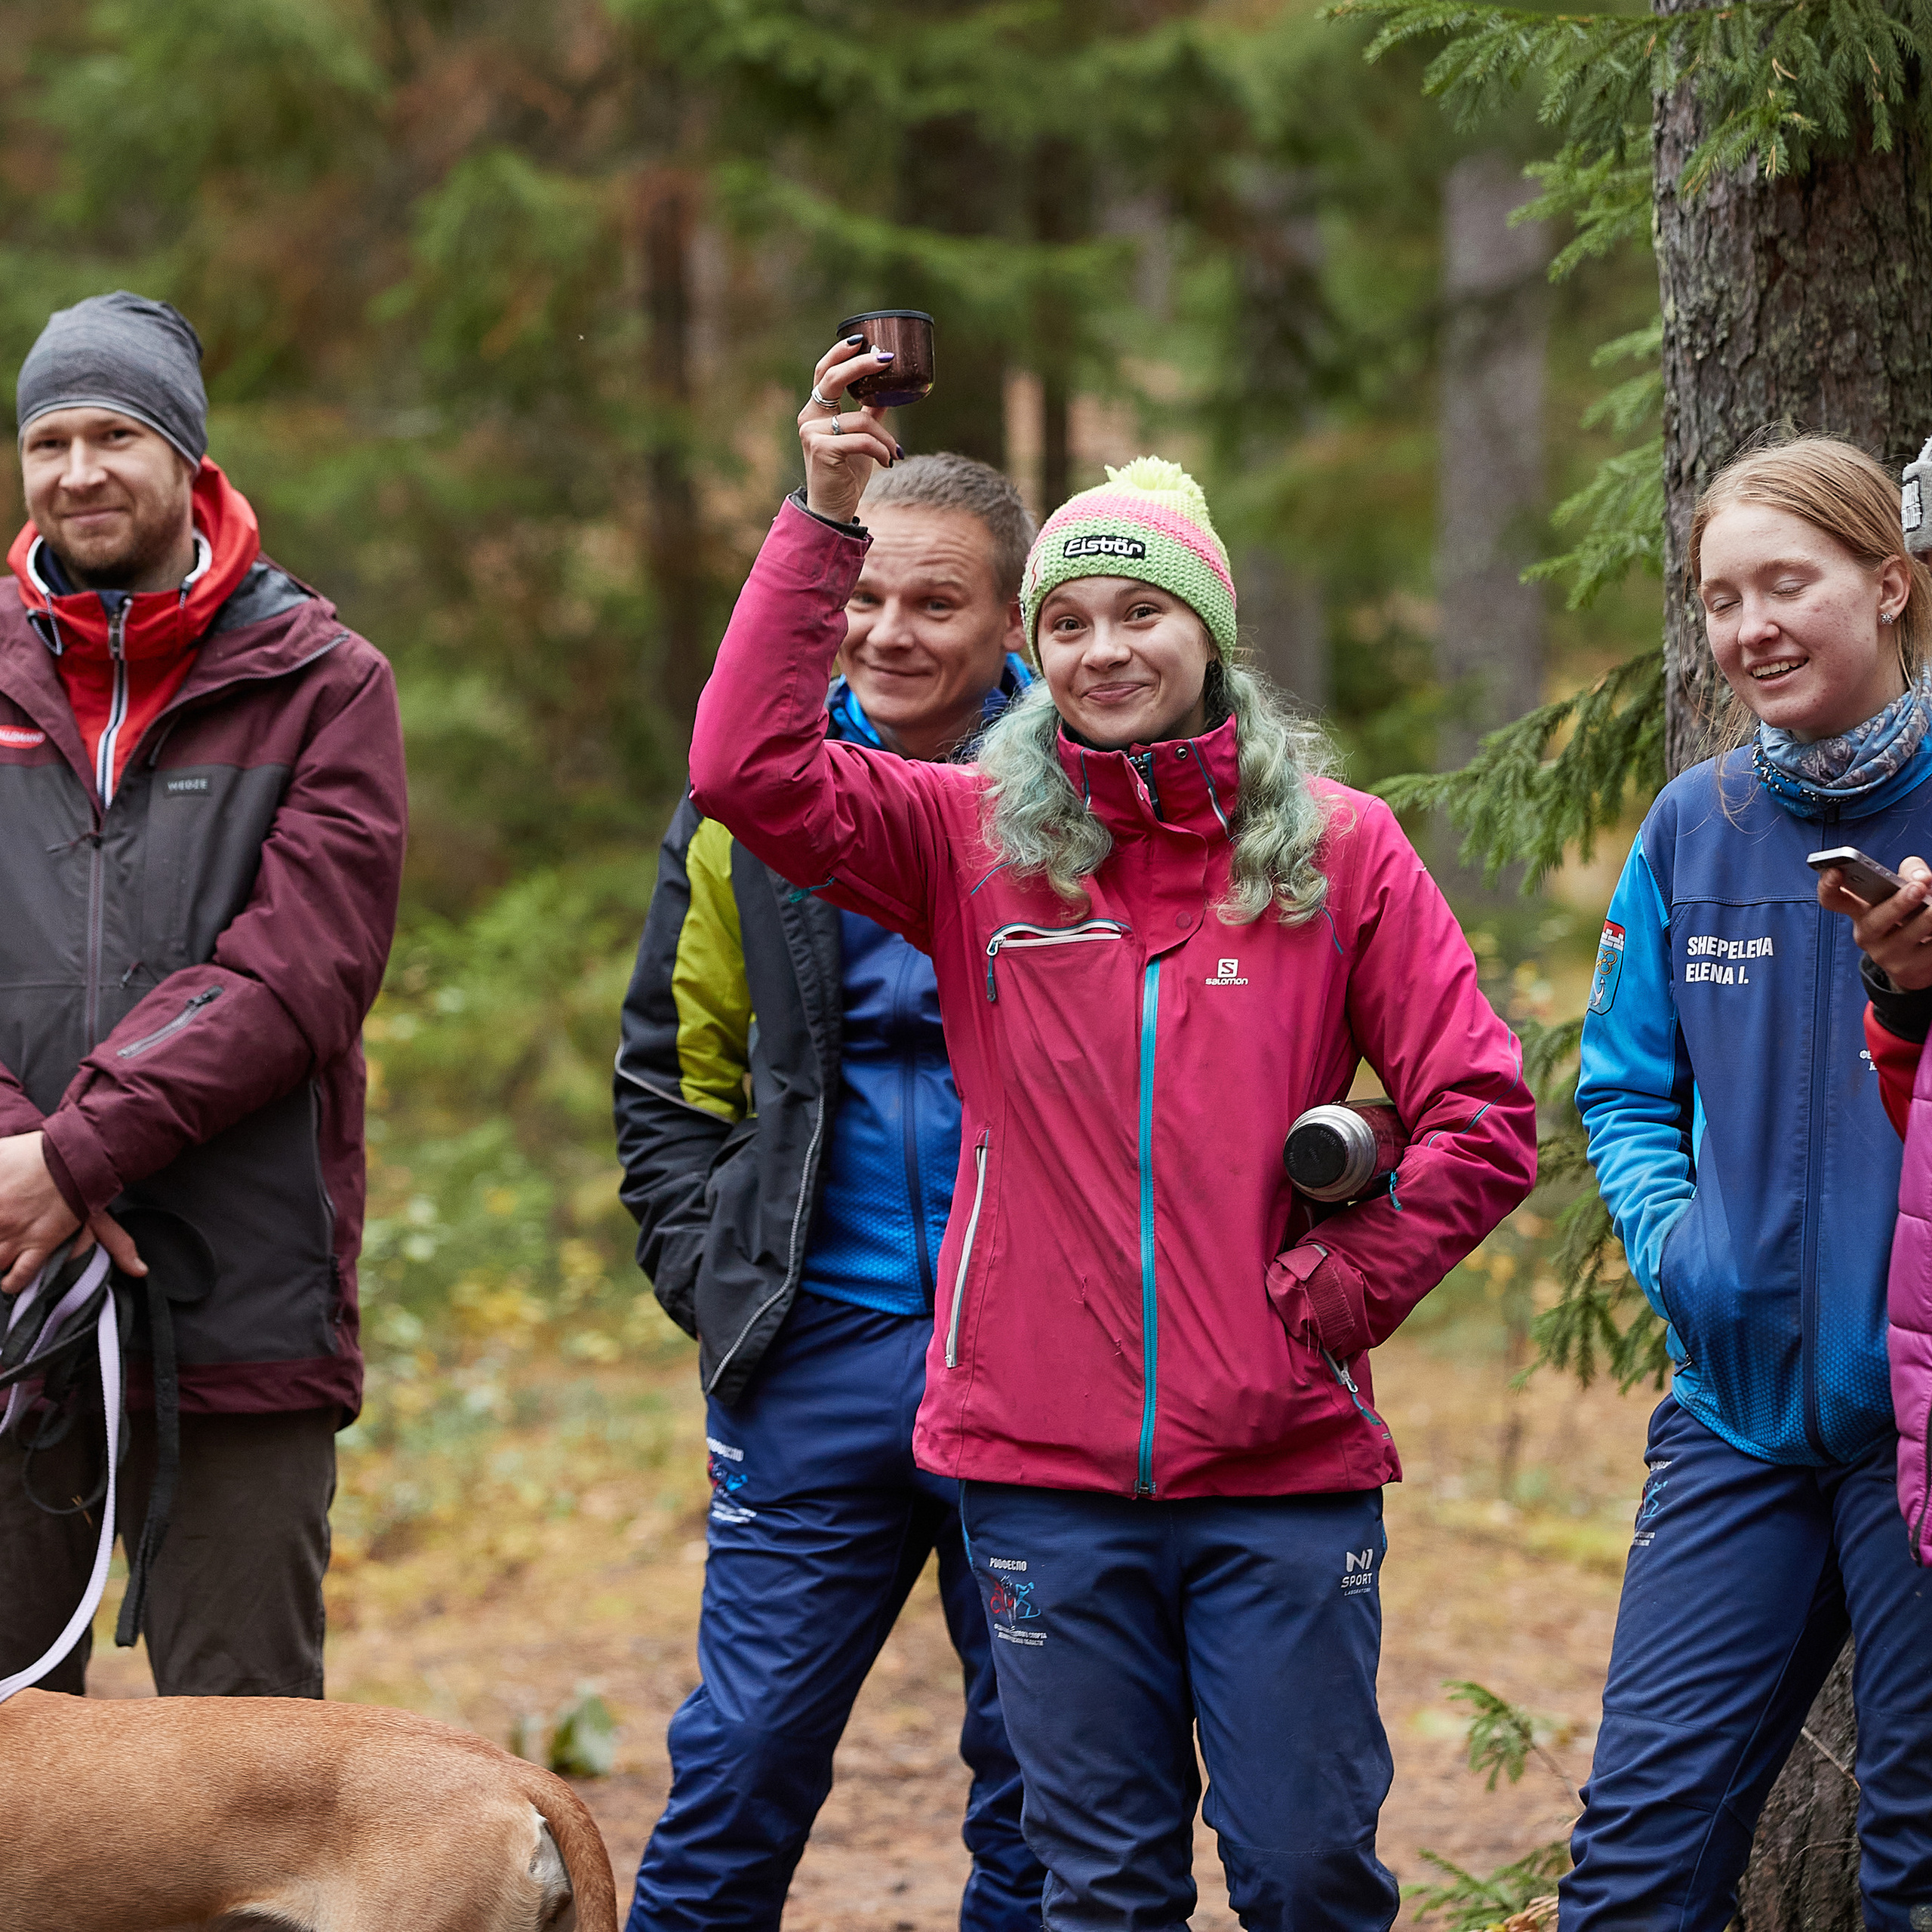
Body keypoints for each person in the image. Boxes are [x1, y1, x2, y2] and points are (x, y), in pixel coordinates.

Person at [680, 335, 1537, 1931]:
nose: (1101, 649)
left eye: (1139, 612)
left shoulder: (1339, 851)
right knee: (1098, 1888)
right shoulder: (969, 840)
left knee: (1303, 1872)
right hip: (1038, 1472)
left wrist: (1333, 1297)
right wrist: (822, 518)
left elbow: (1481, 1110)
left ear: (1206, 634)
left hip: (1276, 1472)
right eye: (1064, 623)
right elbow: (740, 767)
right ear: (1031, 649)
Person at [614, 451, 1047, 1931]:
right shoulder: (748, 804)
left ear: (1012, 625)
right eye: (863, 594)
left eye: (937, 600)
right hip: (818, 1350)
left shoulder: (1083, 804)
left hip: (1038, 1361)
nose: (890, 628)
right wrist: (721, 1282)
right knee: (737, 1761)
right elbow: (670, 1078)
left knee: (1044, 1785)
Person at [0, 291, 407, 1697]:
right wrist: (20, 1171)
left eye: (116, 432)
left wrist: (73, 1153)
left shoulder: (325, 684)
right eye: (48, 439)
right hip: (7, 1293)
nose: (79, 471)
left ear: (188, 458)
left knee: (247, 1780)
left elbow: (305, 971)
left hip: (241, 1300)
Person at [1568, 433, 1932, 1932]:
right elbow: (1620, 1085)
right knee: (1633, 1865)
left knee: (1912, 1869)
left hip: (1917, 1422)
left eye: (1786, 582)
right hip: (1730, 1414)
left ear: (1887, 584)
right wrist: (1681, 1253)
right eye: (1720, 597)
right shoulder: (1690, 823)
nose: (1747, 626)